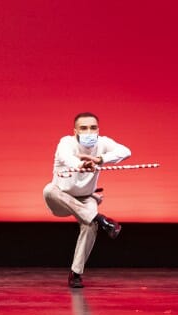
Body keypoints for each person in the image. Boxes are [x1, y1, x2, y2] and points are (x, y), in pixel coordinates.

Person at [42, 112, 130, 288]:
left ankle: (76, 274)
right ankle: (100, 218)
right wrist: (82, 164)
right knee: (48, 190)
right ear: (75, 131)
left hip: (85, 199)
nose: (89, 132)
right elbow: (67, 157)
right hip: (61, 199)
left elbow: (126, 151)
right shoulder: (66, 142)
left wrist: (100, 159)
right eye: (83, 128)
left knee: (90, 225)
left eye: (93, 127)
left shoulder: (103, 143)